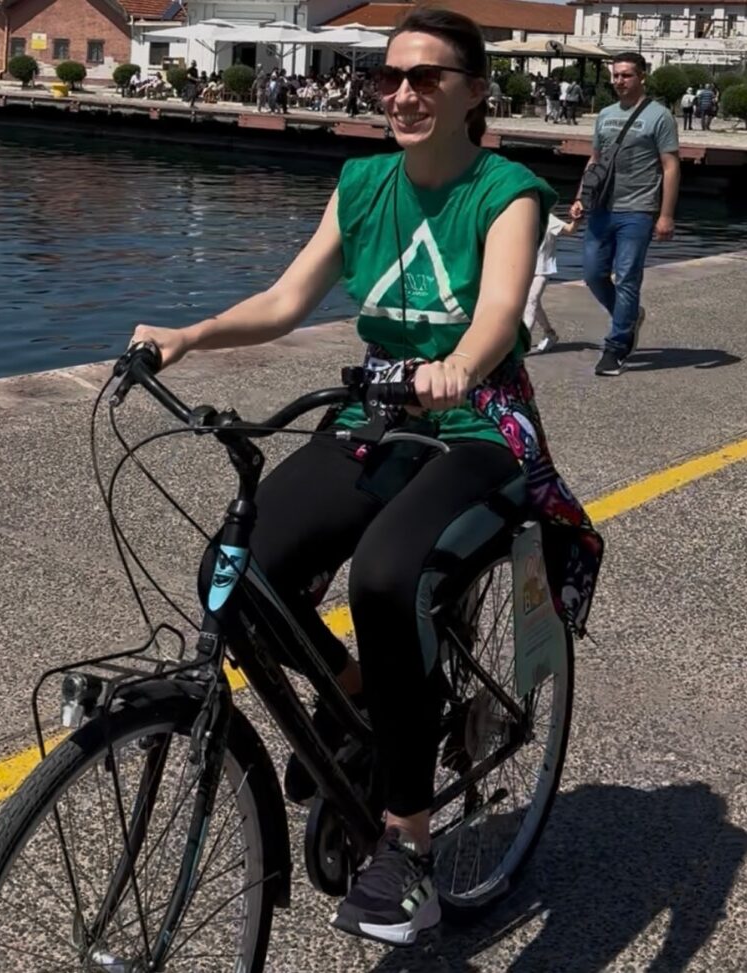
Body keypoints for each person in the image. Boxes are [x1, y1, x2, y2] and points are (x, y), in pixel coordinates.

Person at [130, 7, 601, 947]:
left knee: (388, 575)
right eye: (391, 77)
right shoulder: (362, 184)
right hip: (377, 417)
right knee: (235, 570)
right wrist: (188, 335)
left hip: (476, 424)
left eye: (427, 77)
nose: (403, 93)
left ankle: (409, 844)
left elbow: (499, 313)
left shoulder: (506, 192)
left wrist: (459, 365)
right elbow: (286, 297)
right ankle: (357, 694)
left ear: (474, 93)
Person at [570, 52, 680, 377]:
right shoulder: (605, 115)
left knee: (628, 276)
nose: (619, 81)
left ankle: (616, 347)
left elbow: (670, 166)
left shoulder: (660, 117)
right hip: (602, 207)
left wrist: (666, 215)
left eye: (626, 75)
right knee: (593, 274)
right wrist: (580, 198)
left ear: (642, 77)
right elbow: (595, 160)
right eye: (616, 75)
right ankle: (630, 316)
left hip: (638, 209)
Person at [525, 210, 578, 352]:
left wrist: (577, 219)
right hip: (523, 269)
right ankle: (549, 333)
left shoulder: (549, 219)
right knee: (534, 304)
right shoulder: (520, 217)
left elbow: (570, 230)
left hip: (541, 270)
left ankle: (522, 344)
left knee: (531, 301)